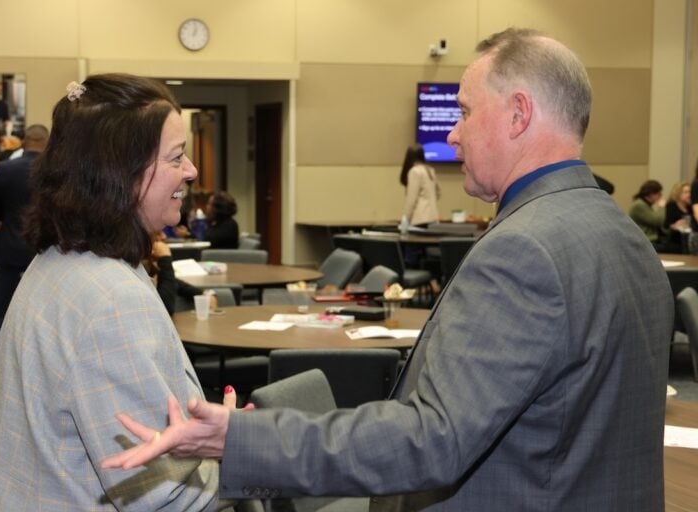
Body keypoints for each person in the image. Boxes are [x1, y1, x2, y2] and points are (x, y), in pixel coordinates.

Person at [103, 28, 674, 511]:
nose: (452, 133)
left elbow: (432, 439)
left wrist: (239, 438)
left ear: (519, 113)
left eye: (467, 112)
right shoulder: (624, 236)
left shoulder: (523, 251)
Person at [0, 74, 233, 511]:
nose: (191, 170)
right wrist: (233, 451)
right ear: (123, 176)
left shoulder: (58, 261)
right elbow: (163, 495)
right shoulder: (112, 301)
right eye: (176, 157)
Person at [0, 124, 49, 389]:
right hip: (46, 253)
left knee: (2, 314)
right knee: (44, 319)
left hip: (11, 250)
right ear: (46, 143)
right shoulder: (55, 172)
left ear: (23, 142)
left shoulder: (4, 170)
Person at [400, 143, 440, 226]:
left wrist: (406, 218)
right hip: (433, 218)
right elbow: (438, 193)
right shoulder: (430, 170)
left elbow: (412, 199)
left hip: (420, 219)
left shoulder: (414, 171)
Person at [629, 179, 666, 251]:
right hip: (646, 241)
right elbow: (657, 221)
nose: (660, 196)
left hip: (650, 240)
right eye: (659, 194)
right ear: (651, 194)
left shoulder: (646, 205)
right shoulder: (639, 205)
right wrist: (661, 207)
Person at [663, 181, 690, 253]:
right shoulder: (671, 205)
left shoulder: (690, 207)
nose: (689, 195)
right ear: (678, 193)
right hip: (675, 240)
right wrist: (676, 225)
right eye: (686, 192)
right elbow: (667, 224)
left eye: (690, 192)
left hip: (689, 238)